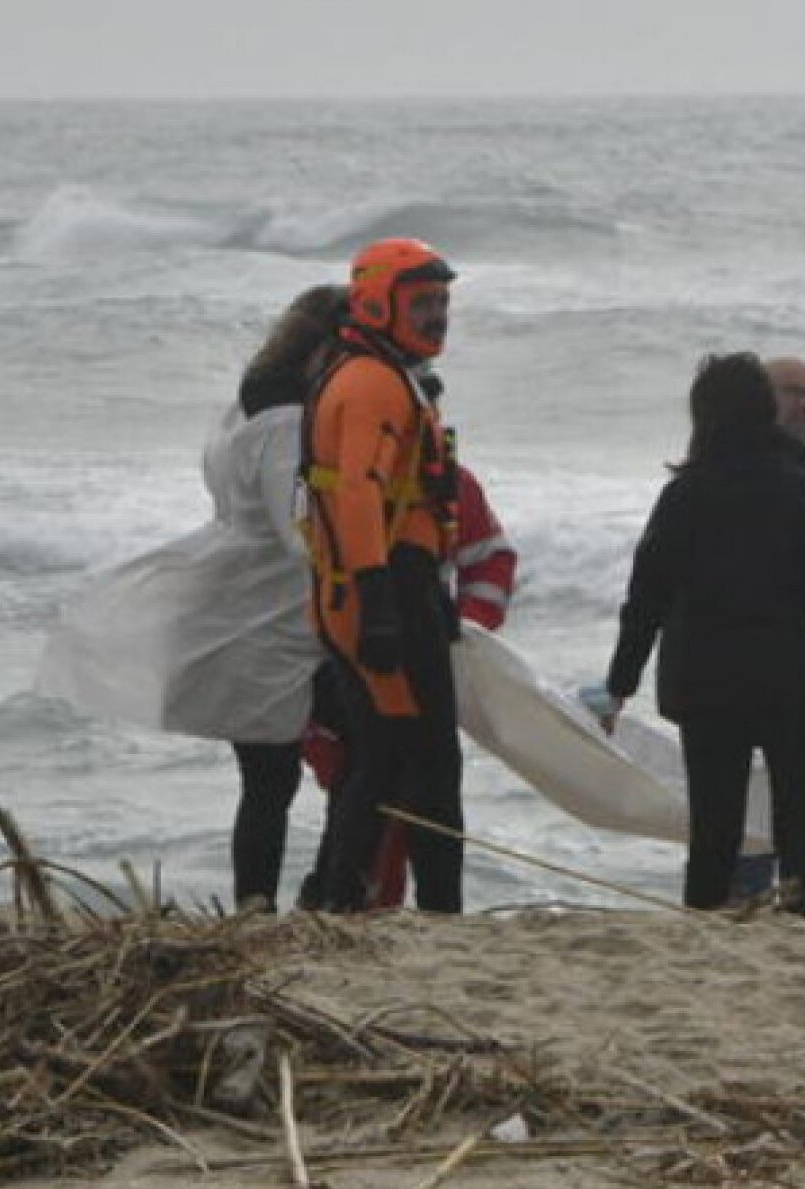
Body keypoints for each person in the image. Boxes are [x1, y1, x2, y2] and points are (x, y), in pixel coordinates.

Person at [35, 283, 346, 912]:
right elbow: (298, 535)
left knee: (269, 777)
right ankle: (307, 898)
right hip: (274, 616)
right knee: (327, 763)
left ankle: (261, 907)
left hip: (239, 602)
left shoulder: (244, 408)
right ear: (324, 350)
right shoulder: (288, 422)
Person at [601, 352, 805, 921]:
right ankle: (804, 922)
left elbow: (644, 598)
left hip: (708, 685)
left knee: (714, 825)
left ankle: (705, 921)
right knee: (802, 826)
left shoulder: (684, 496)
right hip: (792, 680)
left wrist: (619, 685)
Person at [301, 237, 465, 913]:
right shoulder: (370, 384)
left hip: (396, 582)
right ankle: (429, 912)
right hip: (380, 587)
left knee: (392, 756)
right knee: (417, 761)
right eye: (422, 302)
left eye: (442, 303)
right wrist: (380, 603)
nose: (437, 317)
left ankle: (340, 900)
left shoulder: (383, 374)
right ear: (376, 302)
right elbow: (359, 494)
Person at [301, 461, 518, 909]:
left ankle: (413, 912)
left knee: (416, 793)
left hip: (420, 659)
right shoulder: (332, 484)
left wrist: (466, 632)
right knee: (361, 788)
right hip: (340, 667)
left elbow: (491, 559)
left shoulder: (450, 482)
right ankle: (352, 905)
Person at [727, 355, 805, 901]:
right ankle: (737, 901)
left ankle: (797, 910)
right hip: (731, 673)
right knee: (730, 809)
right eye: (794, 393)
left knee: (800, 819)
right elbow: (657, 583)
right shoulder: (715, 474)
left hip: (793, 674)